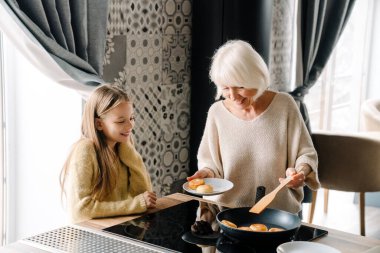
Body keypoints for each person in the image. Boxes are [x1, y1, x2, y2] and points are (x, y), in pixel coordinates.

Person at [187, 40, 320, 215]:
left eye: (240, 87)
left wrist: (299, 174)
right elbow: (210, 162)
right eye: (226, 88)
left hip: (278, 216)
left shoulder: (284, 106)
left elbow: (306, 154)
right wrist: (206, 173)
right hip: (226, 215)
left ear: (257, 78)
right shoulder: (217, 113)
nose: (233, 96)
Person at [60, 84, 156, 223]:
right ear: (99, 124)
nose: (130, 126)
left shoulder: (121, 147)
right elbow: (80, 210)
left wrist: (130, 152)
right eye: (120, 121)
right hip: (89, 237)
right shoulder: (85, 150)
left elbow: (144, 197)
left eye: (132, 118)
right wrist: (134, 205)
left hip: (115, 230)